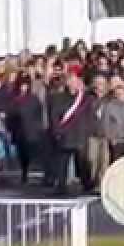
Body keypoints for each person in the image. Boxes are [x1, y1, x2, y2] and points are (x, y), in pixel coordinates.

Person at [49, 65, 98, 196]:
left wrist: (89, 131)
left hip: (80, 134)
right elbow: (55, 116)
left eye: (76, 80)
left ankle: (87, 184)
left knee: (83, 162)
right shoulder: (59, 97)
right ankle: (60, 185)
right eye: (71, 80)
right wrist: (57, 131)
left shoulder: (86, 99)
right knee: (62, 162)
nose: (73, 83)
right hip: (65, 133)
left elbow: (91, 117)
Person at [101, 77, 124, 162]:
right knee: (116, 164)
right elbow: (105, 125)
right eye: (119, 94)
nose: (121, 96)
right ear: (115, 95)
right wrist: (112, 139)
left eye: (123, 94)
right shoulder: (109, 107)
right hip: (117, 142)